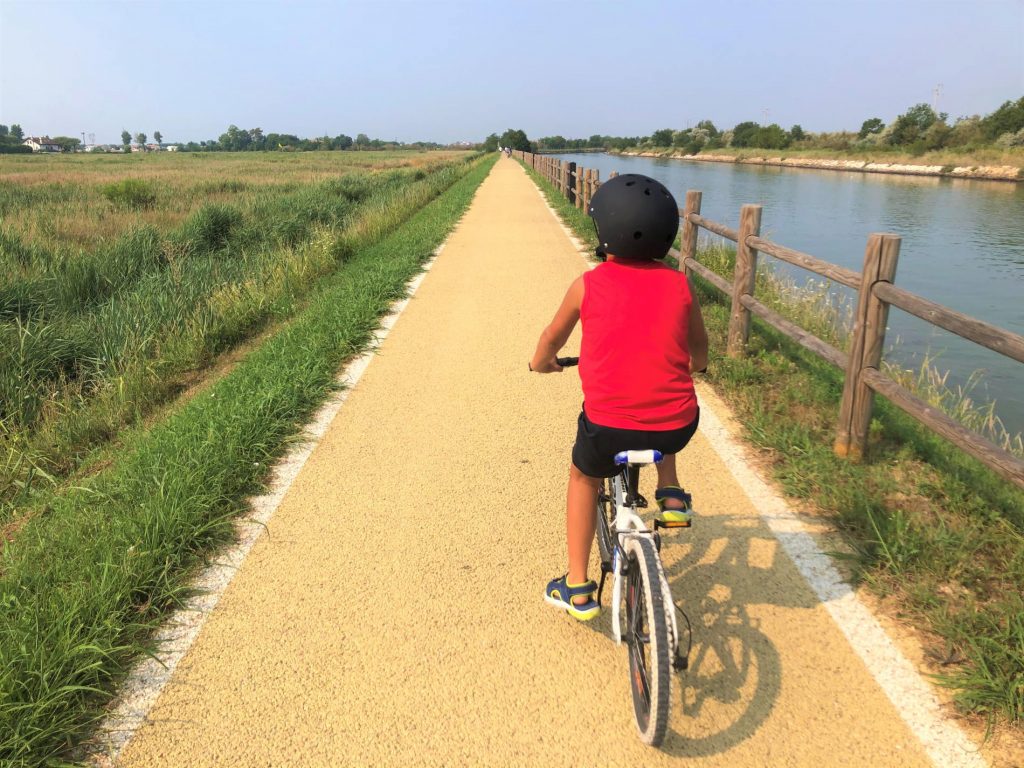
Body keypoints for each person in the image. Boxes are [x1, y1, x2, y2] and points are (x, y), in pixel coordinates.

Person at [529, 173, 708, 621]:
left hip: (608, 429)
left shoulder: (588, 285)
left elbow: (552, 337)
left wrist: (542, 362)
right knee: (670, 406)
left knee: (583, 477)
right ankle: (669, 495)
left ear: (602, 231)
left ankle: (578, 588)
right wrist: (696, 366)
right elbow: (698, 350)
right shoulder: (680, 285)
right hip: (676, 426)